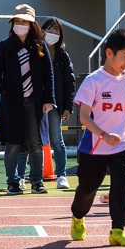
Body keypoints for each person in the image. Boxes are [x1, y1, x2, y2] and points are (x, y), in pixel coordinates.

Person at [69, 29, 125, 247]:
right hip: (94, 148)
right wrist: (103, 134)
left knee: (122, 182)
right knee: (87, 189)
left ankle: (118, 230)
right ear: (109, 53)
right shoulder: (94, 81)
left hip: (121, 145)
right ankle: (77, 218)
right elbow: (83, 117)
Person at [0, 4, 54, 196]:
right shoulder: (5, 46)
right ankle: (13, 182)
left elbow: (48, 74)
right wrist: (4, 91)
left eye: (24, 21)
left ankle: (37, 182)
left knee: (35, 143)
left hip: (35, 102)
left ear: (31, 24)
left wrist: (49, 99)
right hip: (12, 103)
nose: (20, 25)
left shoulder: (40, 46)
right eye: (17, 21)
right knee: (13, 144)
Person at [41, 18, 76, 189]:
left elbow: (70, 82)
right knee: (32, 142)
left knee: (57, 140)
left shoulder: (62, 55)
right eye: (50, 30)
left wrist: (68, 107)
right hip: (36, 102)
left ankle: (61, 175)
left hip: (55, 104)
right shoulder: (35, 50)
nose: (52, 34)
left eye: (56, 32)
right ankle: (32, 176)